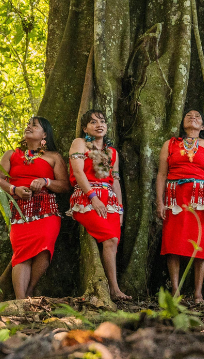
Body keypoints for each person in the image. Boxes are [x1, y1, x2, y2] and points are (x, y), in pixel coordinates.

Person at [0, 116, 70, 299]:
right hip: (20, 211)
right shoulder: (11, 154)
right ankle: (20, 300)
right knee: (21, 253)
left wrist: (46, 181)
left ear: (45, 135)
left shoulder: (54, 157)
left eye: (34, 126)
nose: (29, 127)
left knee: (44, 248)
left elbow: (65, 185)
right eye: (28, 124)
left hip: (47, 210)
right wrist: (14, 189)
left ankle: (30, 290)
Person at [156, 109, 204, 302]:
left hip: (201, 200)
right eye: (188, 115)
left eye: (197, 116)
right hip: (175, 199)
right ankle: (175, 291)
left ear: (202, 126)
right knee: (172, 243)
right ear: (182, 123)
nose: (193, 117)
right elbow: (161, 174)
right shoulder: (170, 144)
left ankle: (198, 293)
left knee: (200, 243)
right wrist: (159, 202)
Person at [67, 109, 130, 300]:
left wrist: (120, 209)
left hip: (110, 201)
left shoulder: (112, 152)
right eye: (93, 122)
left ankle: (112, 287)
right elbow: (78, 172)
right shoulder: (79, 143)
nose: (99, 125)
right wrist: (93, 197)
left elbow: (115, 181)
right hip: (86, 198)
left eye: (102, 121)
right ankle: (114, 289)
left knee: (113, 242)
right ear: (85, 128)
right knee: (110, 239)